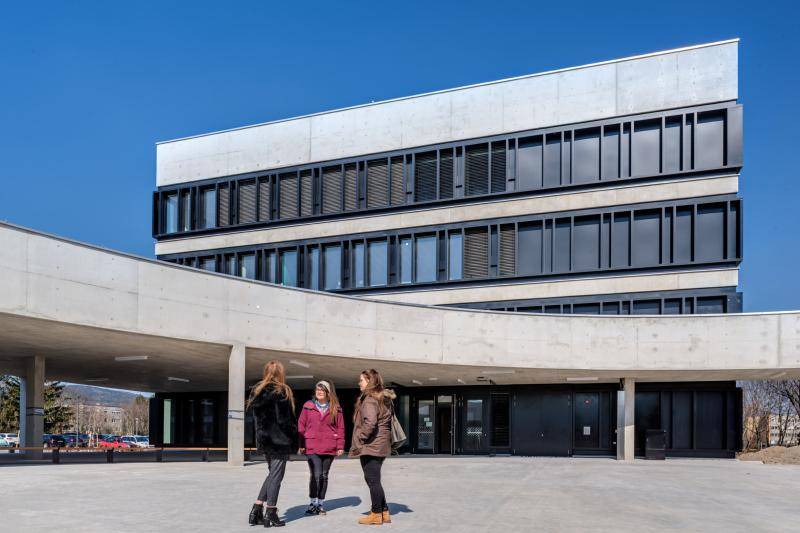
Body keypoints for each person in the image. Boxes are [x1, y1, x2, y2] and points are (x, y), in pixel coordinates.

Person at [247, 361, 298, 528]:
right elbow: (285, 420)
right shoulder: (282, 390)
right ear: (280, 373)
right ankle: (271, 513)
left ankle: (256, 510)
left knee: (272, 475)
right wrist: (293, 437)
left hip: (264, 440)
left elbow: (257, 420)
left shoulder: (257, 391)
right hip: (279, 440)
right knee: (276, 476)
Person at [349, 369, 396, 525]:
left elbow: (370, 423)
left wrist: (360, 438)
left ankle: (376, 513)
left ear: (369, 381)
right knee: (375, 480)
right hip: (381, 444)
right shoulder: (382, 398)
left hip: (372, 445)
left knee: (372, 480)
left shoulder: (370, 399)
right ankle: (384, 511)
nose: (359, 383)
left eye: (361, 380)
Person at [297, 380, 345, 516]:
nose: (319, 392)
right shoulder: (308, 406)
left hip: (330, 446)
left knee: (324, 475)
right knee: (316, 475)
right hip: (311, 446)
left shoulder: (336, 408)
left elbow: (340, 428)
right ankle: (312, 503)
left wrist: (340, 445)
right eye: (317, 389)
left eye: (322, 390)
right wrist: (301, 444)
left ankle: (320, 504)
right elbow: (301, 425)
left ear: (328, 392)